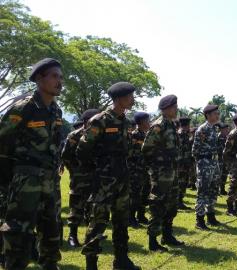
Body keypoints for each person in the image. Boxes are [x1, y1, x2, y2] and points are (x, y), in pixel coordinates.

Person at [0, 58, 63, 270]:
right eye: (54, 76)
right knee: (19, 233)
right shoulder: (24, 108)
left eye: (61, 77)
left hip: (50, 180)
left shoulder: (56, 111)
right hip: (26, 180)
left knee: (51, 230)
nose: (59, 81)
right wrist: (7, 179)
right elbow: (2, 141)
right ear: (39, 78)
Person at [77, 82, 140, 270]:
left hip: (122, 178)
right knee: (98, 222)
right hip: (104, 182)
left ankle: (121, 260)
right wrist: (98, 170)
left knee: (121, 222)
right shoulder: (100, 120)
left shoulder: (126, 122)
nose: (133, 99)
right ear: (119, 99)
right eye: (130, 96)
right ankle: (91, 264)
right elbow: (82, 149)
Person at [142, 95, 184, 252]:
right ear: (166, 108)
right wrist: (158, 164)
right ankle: (153, 241)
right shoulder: (158, 125)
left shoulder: (171, 125)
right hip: (161, 173)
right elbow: (146, 149)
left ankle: (167, 235)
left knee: (172, 204)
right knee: (158, 205)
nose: (176, 108)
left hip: (172, 172)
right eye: (174, 106)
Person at [61, 108, 101, 248]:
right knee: (76, 206)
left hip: (96, 176)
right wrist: (75, 171)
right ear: (86, 121)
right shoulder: (74, 135)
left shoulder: (99, 134)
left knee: (94, 207)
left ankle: (92, 236)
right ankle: (72, 235)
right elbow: (66, 156)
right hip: (79, 177)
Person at [192, 105, 222, 230]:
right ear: (208, 115)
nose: (218, 115)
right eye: (215, 113)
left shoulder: (214, 128)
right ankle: (200, 220)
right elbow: (195, 150)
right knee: (203, 192)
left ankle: (211, 216)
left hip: (214, 164)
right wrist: (202, 163)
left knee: (213, 190)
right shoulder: (202, 129)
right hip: (205, 164)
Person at [128, 112, 151, 227]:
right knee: (134, 194)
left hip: (145, 170)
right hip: (135, 170)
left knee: (145, 193)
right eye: (148, 120)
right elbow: (129, 154)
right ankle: (131, 217)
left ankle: (141, 215)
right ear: (141, 122)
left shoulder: (147, 134)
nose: (149, 122)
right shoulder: (134, 135)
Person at [177, 117, 194, 210]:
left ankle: (180, 201)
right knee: (181, 182)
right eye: (188, 125)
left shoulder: (185, 134)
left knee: (184, 182)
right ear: (186, 125)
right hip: (181, 163)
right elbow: (180, 150)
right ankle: (178, 202)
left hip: (185, 162)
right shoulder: (181, 134)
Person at [216, 123, 229, 195]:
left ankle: (222, 189)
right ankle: (217, 190)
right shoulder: (218, 137)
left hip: (225, 159)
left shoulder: (226, 137)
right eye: (225, 129)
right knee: (219, 175)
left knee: (224, 174)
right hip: (219, 159)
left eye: (227, 129)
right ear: (221, 130)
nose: (227, 130)